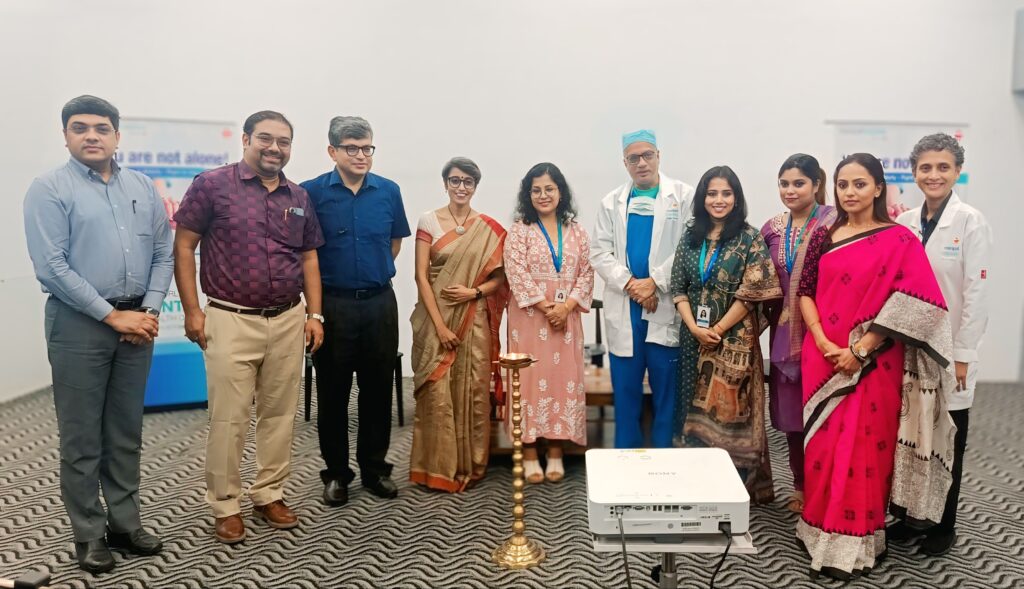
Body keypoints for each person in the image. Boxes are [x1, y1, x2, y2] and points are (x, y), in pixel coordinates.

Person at [24, 95, 173, 573]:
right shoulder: (48, 189)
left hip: (137, 323)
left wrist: (147, 311)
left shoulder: (143, 188)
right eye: (80, 127)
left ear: (117, 136)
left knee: (125, 432)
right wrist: (112, 317)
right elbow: (51, 267)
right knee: (82, 436)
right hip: (79, 324)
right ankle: (89, 533)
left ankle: (125, 523)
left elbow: (163, 254)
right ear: (65, 134)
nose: (92, 135)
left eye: (102, 128)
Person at [796, 153, 956, 580]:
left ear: (879, 188)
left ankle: (852, 544)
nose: (850, 193)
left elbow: (918, 305)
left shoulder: (899, 240)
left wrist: (862, 349)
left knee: (863, 450)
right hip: (823, 356)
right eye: (843, 185)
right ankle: (816, 528)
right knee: (824, 450)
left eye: (860, 184)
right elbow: (805, 290)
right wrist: (822, 339)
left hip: (872, 364)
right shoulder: (825, 236)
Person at [174, 111, 325, 544]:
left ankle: (269, 493)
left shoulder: (297, 196)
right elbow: (184, 245)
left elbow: (309, 256)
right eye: (265, 138)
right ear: (245, 139)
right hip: (231, 318)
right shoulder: (212, 185)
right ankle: (225, 504)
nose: (274, 148)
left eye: (284, 141)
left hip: (288, 319)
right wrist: (192, 311)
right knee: (229, 419)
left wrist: (315, 315)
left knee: (279, 414)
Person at [301, 116, 411, 506]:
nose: (362, 155)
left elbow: (394, 242)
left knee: (377, 390)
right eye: (352, 148)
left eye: (367, 148)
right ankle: (336, 474)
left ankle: (375, 468)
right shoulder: (310, 193)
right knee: (333, 393)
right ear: (333, 151)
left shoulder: (388, 191)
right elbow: (304, 253)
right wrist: (315, 310)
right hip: (333, 304)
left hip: (380, 302)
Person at [893, 133, 992, 555]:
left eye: (943, 167)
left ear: (956, 172)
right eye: (926, 168)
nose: (934, 175)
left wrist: (965, 355)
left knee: (948, 439)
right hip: (910, 347)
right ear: (914, 172)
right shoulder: (905, 222)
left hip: (950, 351)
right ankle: (910, 516)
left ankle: (943, 525)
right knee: (911, 436)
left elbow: (977, 294)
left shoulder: (971, 221)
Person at [670, 166, 781, 504]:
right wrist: (693, 327)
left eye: (726, 193)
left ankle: (732, 487)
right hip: (693, 340)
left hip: (732, 342)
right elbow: (678, 288)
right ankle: (699, 482)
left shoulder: (749, 238)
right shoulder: (691, 237)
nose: (719, 200)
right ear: (702, 198)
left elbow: (753, 291)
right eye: (712, 193)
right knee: (691, 407)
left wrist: (716, 329)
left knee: (732, 410)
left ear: (736, 198)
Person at [408, 157, 508, 492]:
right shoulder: (429, 220)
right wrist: (440, 327)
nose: (461, 187)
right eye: (455, 181)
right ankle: (435, 467)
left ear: (476, 186)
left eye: (468, 181)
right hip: (436, 319)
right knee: (436, 393)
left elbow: (500, 279)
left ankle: (472, 464)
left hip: (474, 318)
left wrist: (473, 292)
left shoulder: (488, 229)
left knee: (473, 390)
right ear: (445, 183)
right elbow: (421, 276)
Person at [590, 130, 693, 449]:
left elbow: (690, 243)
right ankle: (624, 464)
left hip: (664, 302)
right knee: (627, 394)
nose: (641, 162)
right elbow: (599, 252)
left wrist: (655, 281)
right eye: (633, 158)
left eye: (647, 155)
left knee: (667, 396)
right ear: (625, 163)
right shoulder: (612, 202)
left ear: (659, 155)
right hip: (627, 305)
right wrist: (632, 284)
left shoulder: (683, 195)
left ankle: (665, 463)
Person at [505, 163, 594, 482]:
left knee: (561, 378)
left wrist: (566, 306)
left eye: (549, 188)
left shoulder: (577, 230)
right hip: (529, 319)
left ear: (561, 192)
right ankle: (529, 450)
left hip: (565, 321)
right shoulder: (520, 229)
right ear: (528, 195)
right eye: (536, 190)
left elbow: (587, 271)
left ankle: (556, 449)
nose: (543, 195)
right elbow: (515, 272)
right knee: (529, 381)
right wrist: (546, 307)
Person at [760, 154, 837, 513]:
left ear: (817, 185)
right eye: (784, 183)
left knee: (826, 412)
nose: (790, 191)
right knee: (793, 418)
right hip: (784, 334)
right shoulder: (772, 229)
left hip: (827, 333)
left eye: (798, 183)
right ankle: (802, 486)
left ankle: (830, 487)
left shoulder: (835, 224)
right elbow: (757, 280)